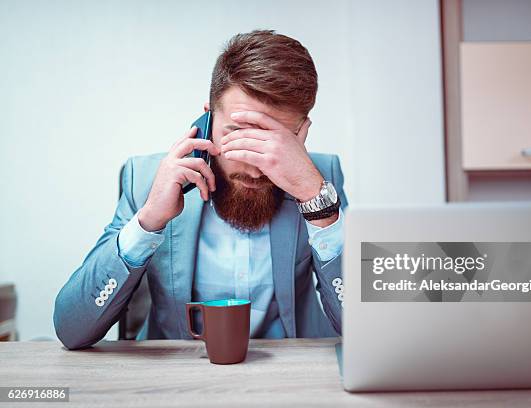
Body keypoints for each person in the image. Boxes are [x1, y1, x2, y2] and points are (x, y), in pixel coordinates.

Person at [53, 30, 347, 349]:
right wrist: (148, 220)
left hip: (289, 377)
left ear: (302, 132)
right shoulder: (145, 178)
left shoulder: (319, 179)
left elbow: (374, 328)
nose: (252, 164)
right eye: (237, 135)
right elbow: (70, 329)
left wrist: (318, 203)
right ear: (207, 116)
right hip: (178, 381)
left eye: (274, 142)